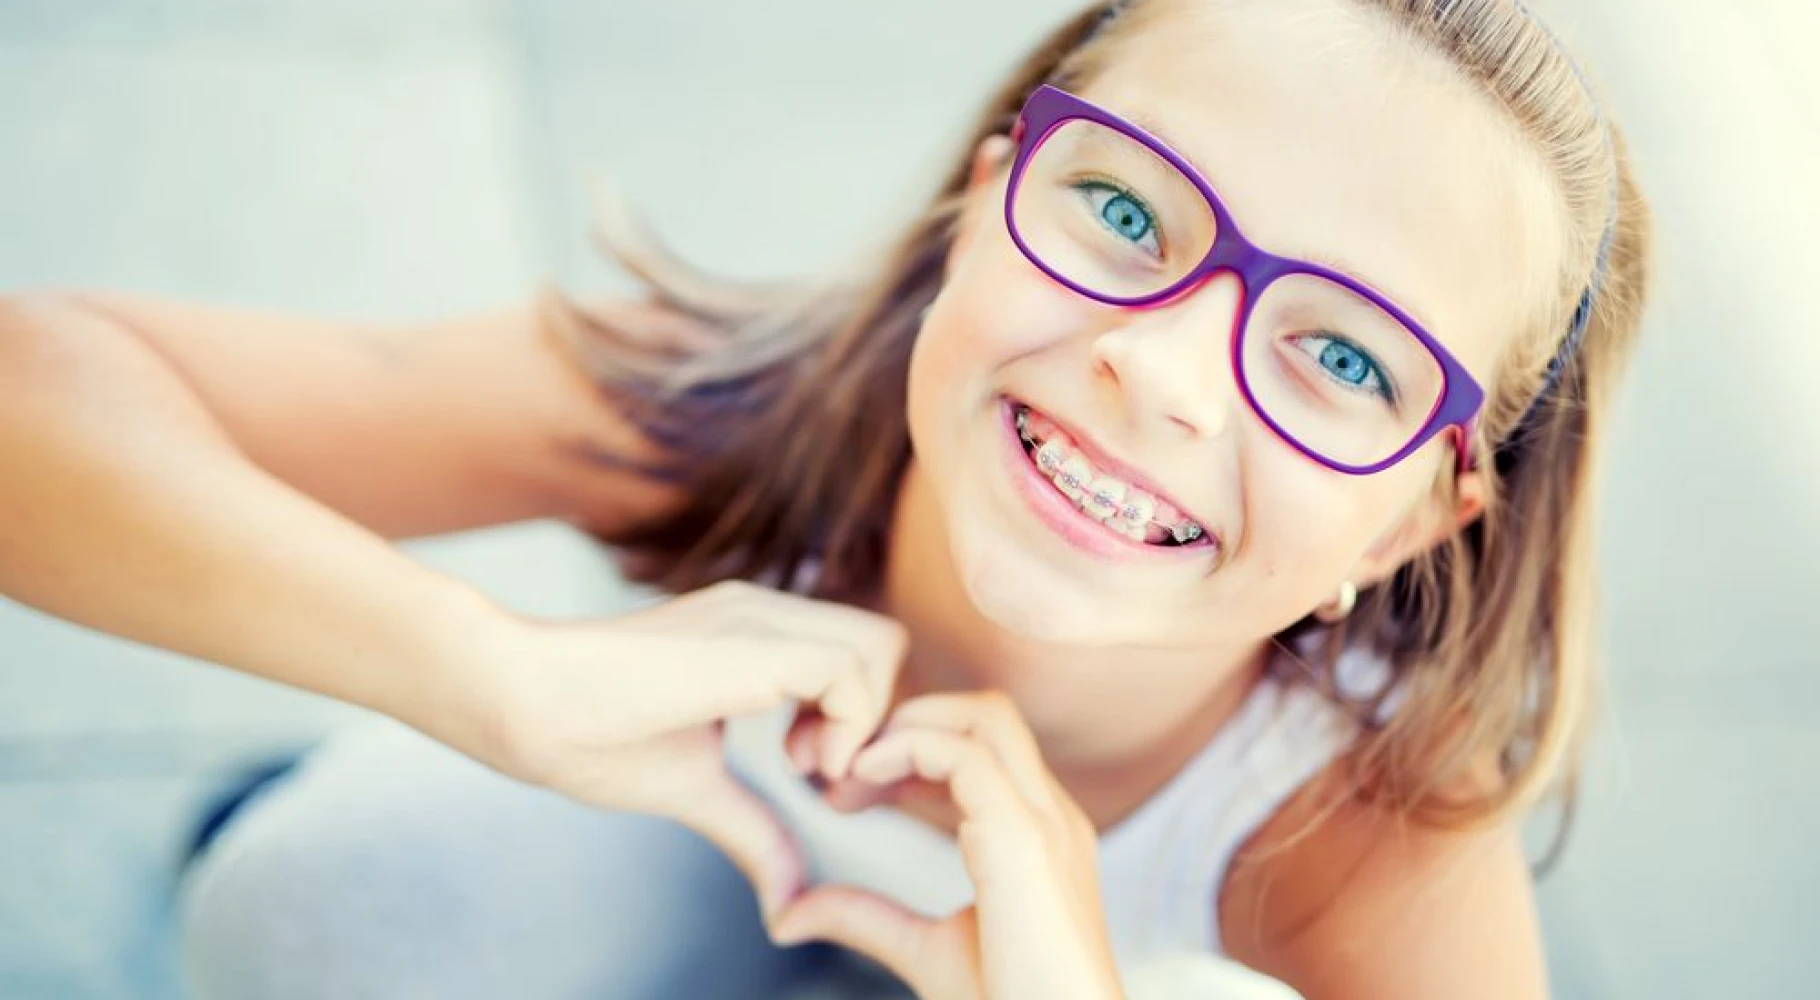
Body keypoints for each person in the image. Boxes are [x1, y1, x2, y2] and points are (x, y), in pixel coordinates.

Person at [0, 0, 1653, 996]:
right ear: (988, 199)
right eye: (1126, 213)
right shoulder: (737, 403)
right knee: (346, 902)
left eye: (1346, 363)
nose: (1163, 372)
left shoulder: (1362, 847)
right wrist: (481, 667)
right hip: (637, 908)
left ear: (1416, 523)